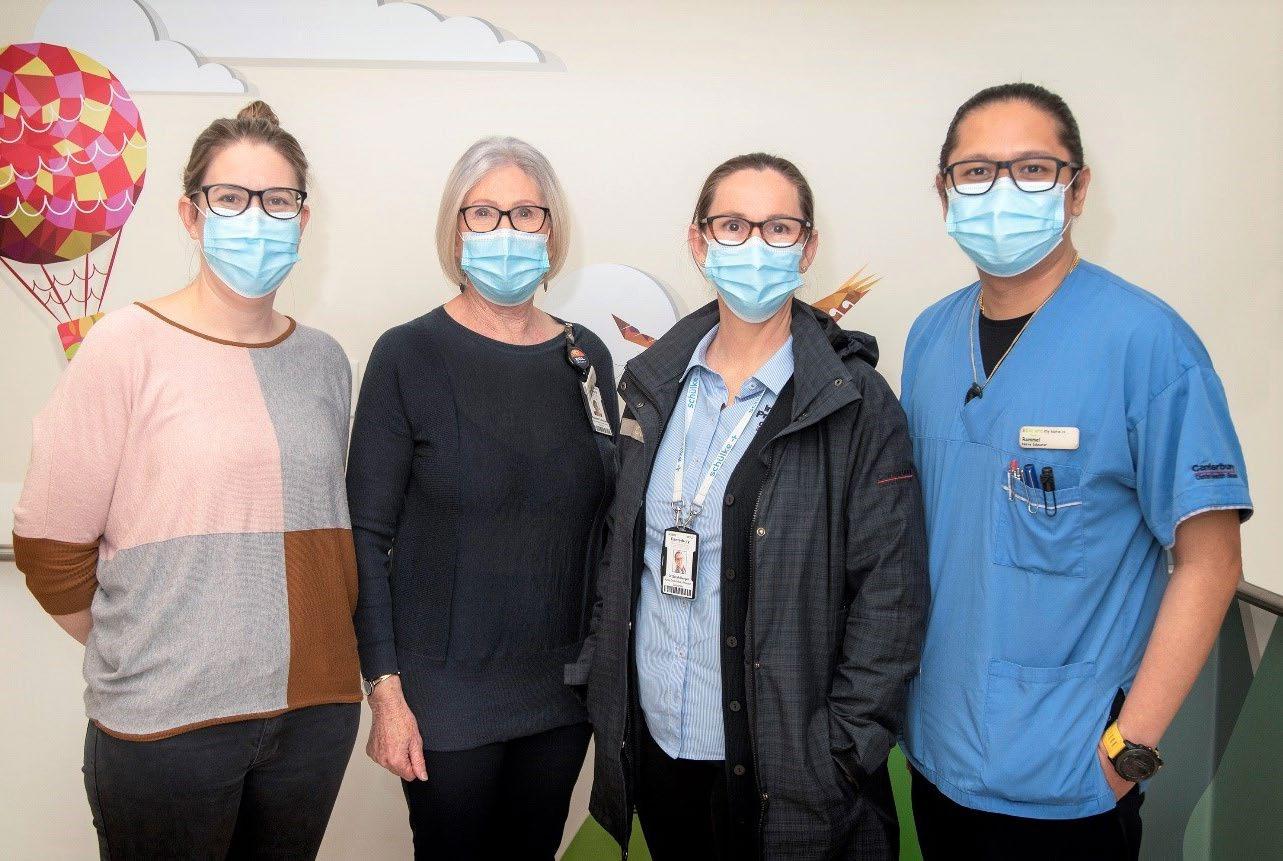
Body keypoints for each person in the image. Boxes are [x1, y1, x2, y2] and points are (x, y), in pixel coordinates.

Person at [900, 82, 1252, 860]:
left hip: (1071, 774)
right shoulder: (928, 338)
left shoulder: (1146, 341)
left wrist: (1130, 749)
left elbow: (1211, 560)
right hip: (935, 751)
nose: (1001, 192)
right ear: (944, 192)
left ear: (1077, 188)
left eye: (1031, 169)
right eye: (975, 172)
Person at [11, 101, 361, 859]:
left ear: (303, 220)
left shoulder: (326, 362)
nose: (256, 218)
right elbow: (47, 546)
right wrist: (145, 644)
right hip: (165, 727)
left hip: (313, 717)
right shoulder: (123, 346)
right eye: (230, 197)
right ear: (191, 214)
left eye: (278, 200)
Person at [571, 153, 929, 859]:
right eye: (733, 225)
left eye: (779, 227)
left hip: (788, 767)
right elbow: (620, 548)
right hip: (658, 748)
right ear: (699, 241)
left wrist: (839, 752)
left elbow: (891, 597)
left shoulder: (855, 403)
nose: (755, 245)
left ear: (808, 247)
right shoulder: (653, 384)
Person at [347, 136, 617, 859]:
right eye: (484, 213)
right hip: (444, 695)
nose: (507, 230)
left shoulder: (585, 357)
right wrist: (385, 691)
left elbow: (603, 522)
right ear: (456, 227)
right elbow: (365, 537)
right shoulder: (407, 355)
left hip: (560, 692)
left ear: (551, 229)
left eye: (526, 213)